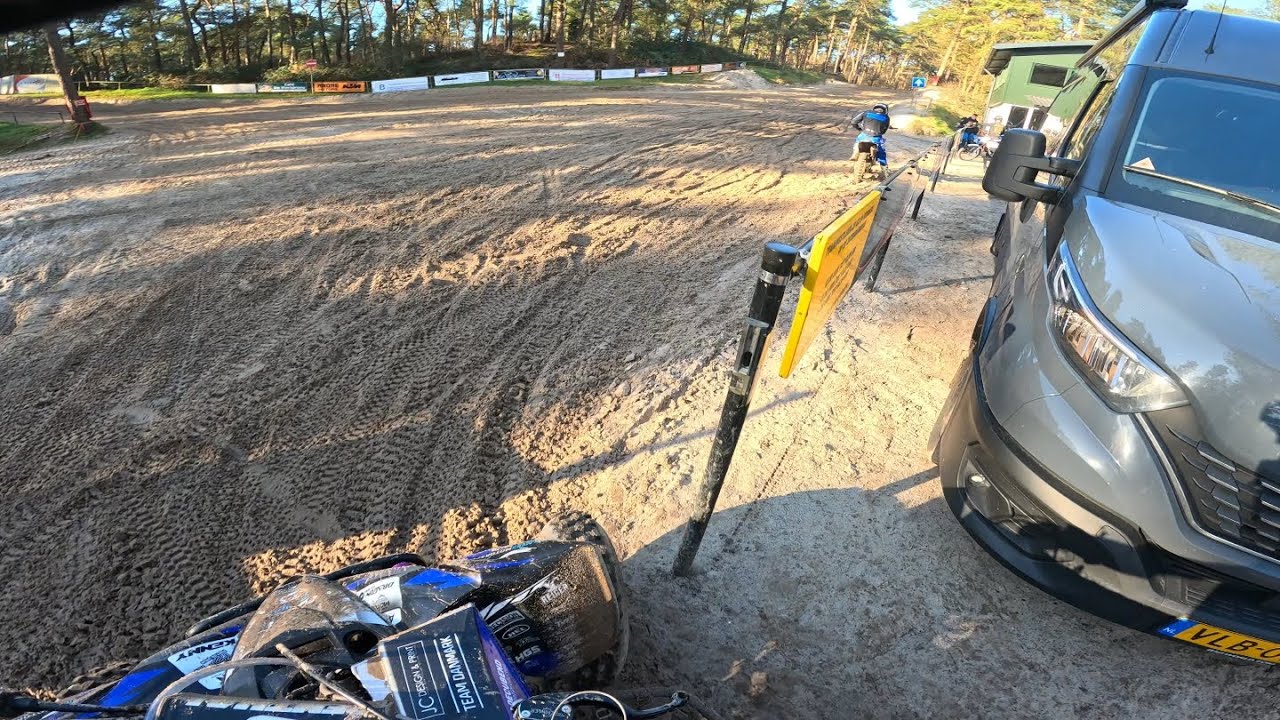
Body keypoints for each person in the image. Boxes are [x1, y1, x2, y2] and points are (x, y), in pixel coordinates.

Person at [850, 102, 891, 167]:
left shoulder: (866, 112)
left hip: (864, 135)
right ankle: (884, 167)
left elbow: (853, 121)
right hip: (876, 138)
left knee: (857, 142)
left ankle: (855, 152)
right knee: (881, 152)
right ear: (885, 110)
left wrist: (859, 129)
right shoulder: (886, 118)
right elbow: (884, 130)